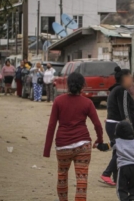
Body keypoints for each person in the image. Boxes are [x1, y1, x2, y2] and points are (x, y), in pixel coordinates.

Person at [43, 72, 103, 201]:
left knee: (62, 175)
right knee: (82, 178)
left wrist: (47, 149)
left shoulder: (59, 101)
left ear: (68, 85)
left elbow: (51, 125)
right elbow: (97, 124)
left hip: (63, 145)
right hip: (83, 145)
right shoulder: (87, 103)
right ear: (82, 86)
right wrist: (100, 139)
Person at [100, 66, 134, 186]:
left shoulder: (115, 90)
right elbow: (125, 110)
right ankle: (107, 173)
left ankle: (116, 177)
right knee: (121, 151)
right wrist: (129, 125)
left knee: (117, 150)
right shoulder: (122, 91)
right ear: (125, 78)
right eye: (130, 77)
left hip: (112, 123)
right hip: (118, 125)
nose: (132, 80)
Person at [97, 121, 134, 201]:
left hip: (123, 168)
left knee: (121, 188)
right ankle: (132, 198)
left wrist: (98, 145)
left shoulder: (117, 141)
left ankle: (124, 199)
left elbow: (106, 147)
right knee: (133, 186)